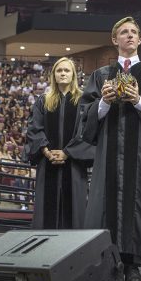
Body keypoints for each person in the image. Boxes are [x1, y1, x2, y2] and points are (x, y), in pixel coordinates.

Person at [80, 16, 141, 281]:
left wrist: (140, 101)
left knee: (136, 204)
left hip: (139, 153)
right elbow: (84, 116)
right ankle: (105, 261)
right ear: (115, 39)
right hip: (108, 151)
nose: (129, 36)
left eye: (134, 32)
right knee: (103, 204)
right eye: (124, 32)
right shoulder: (100, 76)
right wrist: (103, 104)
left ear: (140, 39)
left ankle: (132, 264)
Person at [25, 57, 94, 229]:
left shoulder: (84, 102)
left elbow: (87, 132)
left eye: (67, 70)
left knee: (75, 211)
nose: (63, 73)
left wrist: (67, 152)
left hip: (74, 166)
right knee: (45, 212)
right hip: (47, 163)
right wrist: (46, 151)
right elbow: (34, 128)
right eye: (59, 70)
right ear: (54, 75)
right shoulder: (43, 100)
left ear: (73, 75)